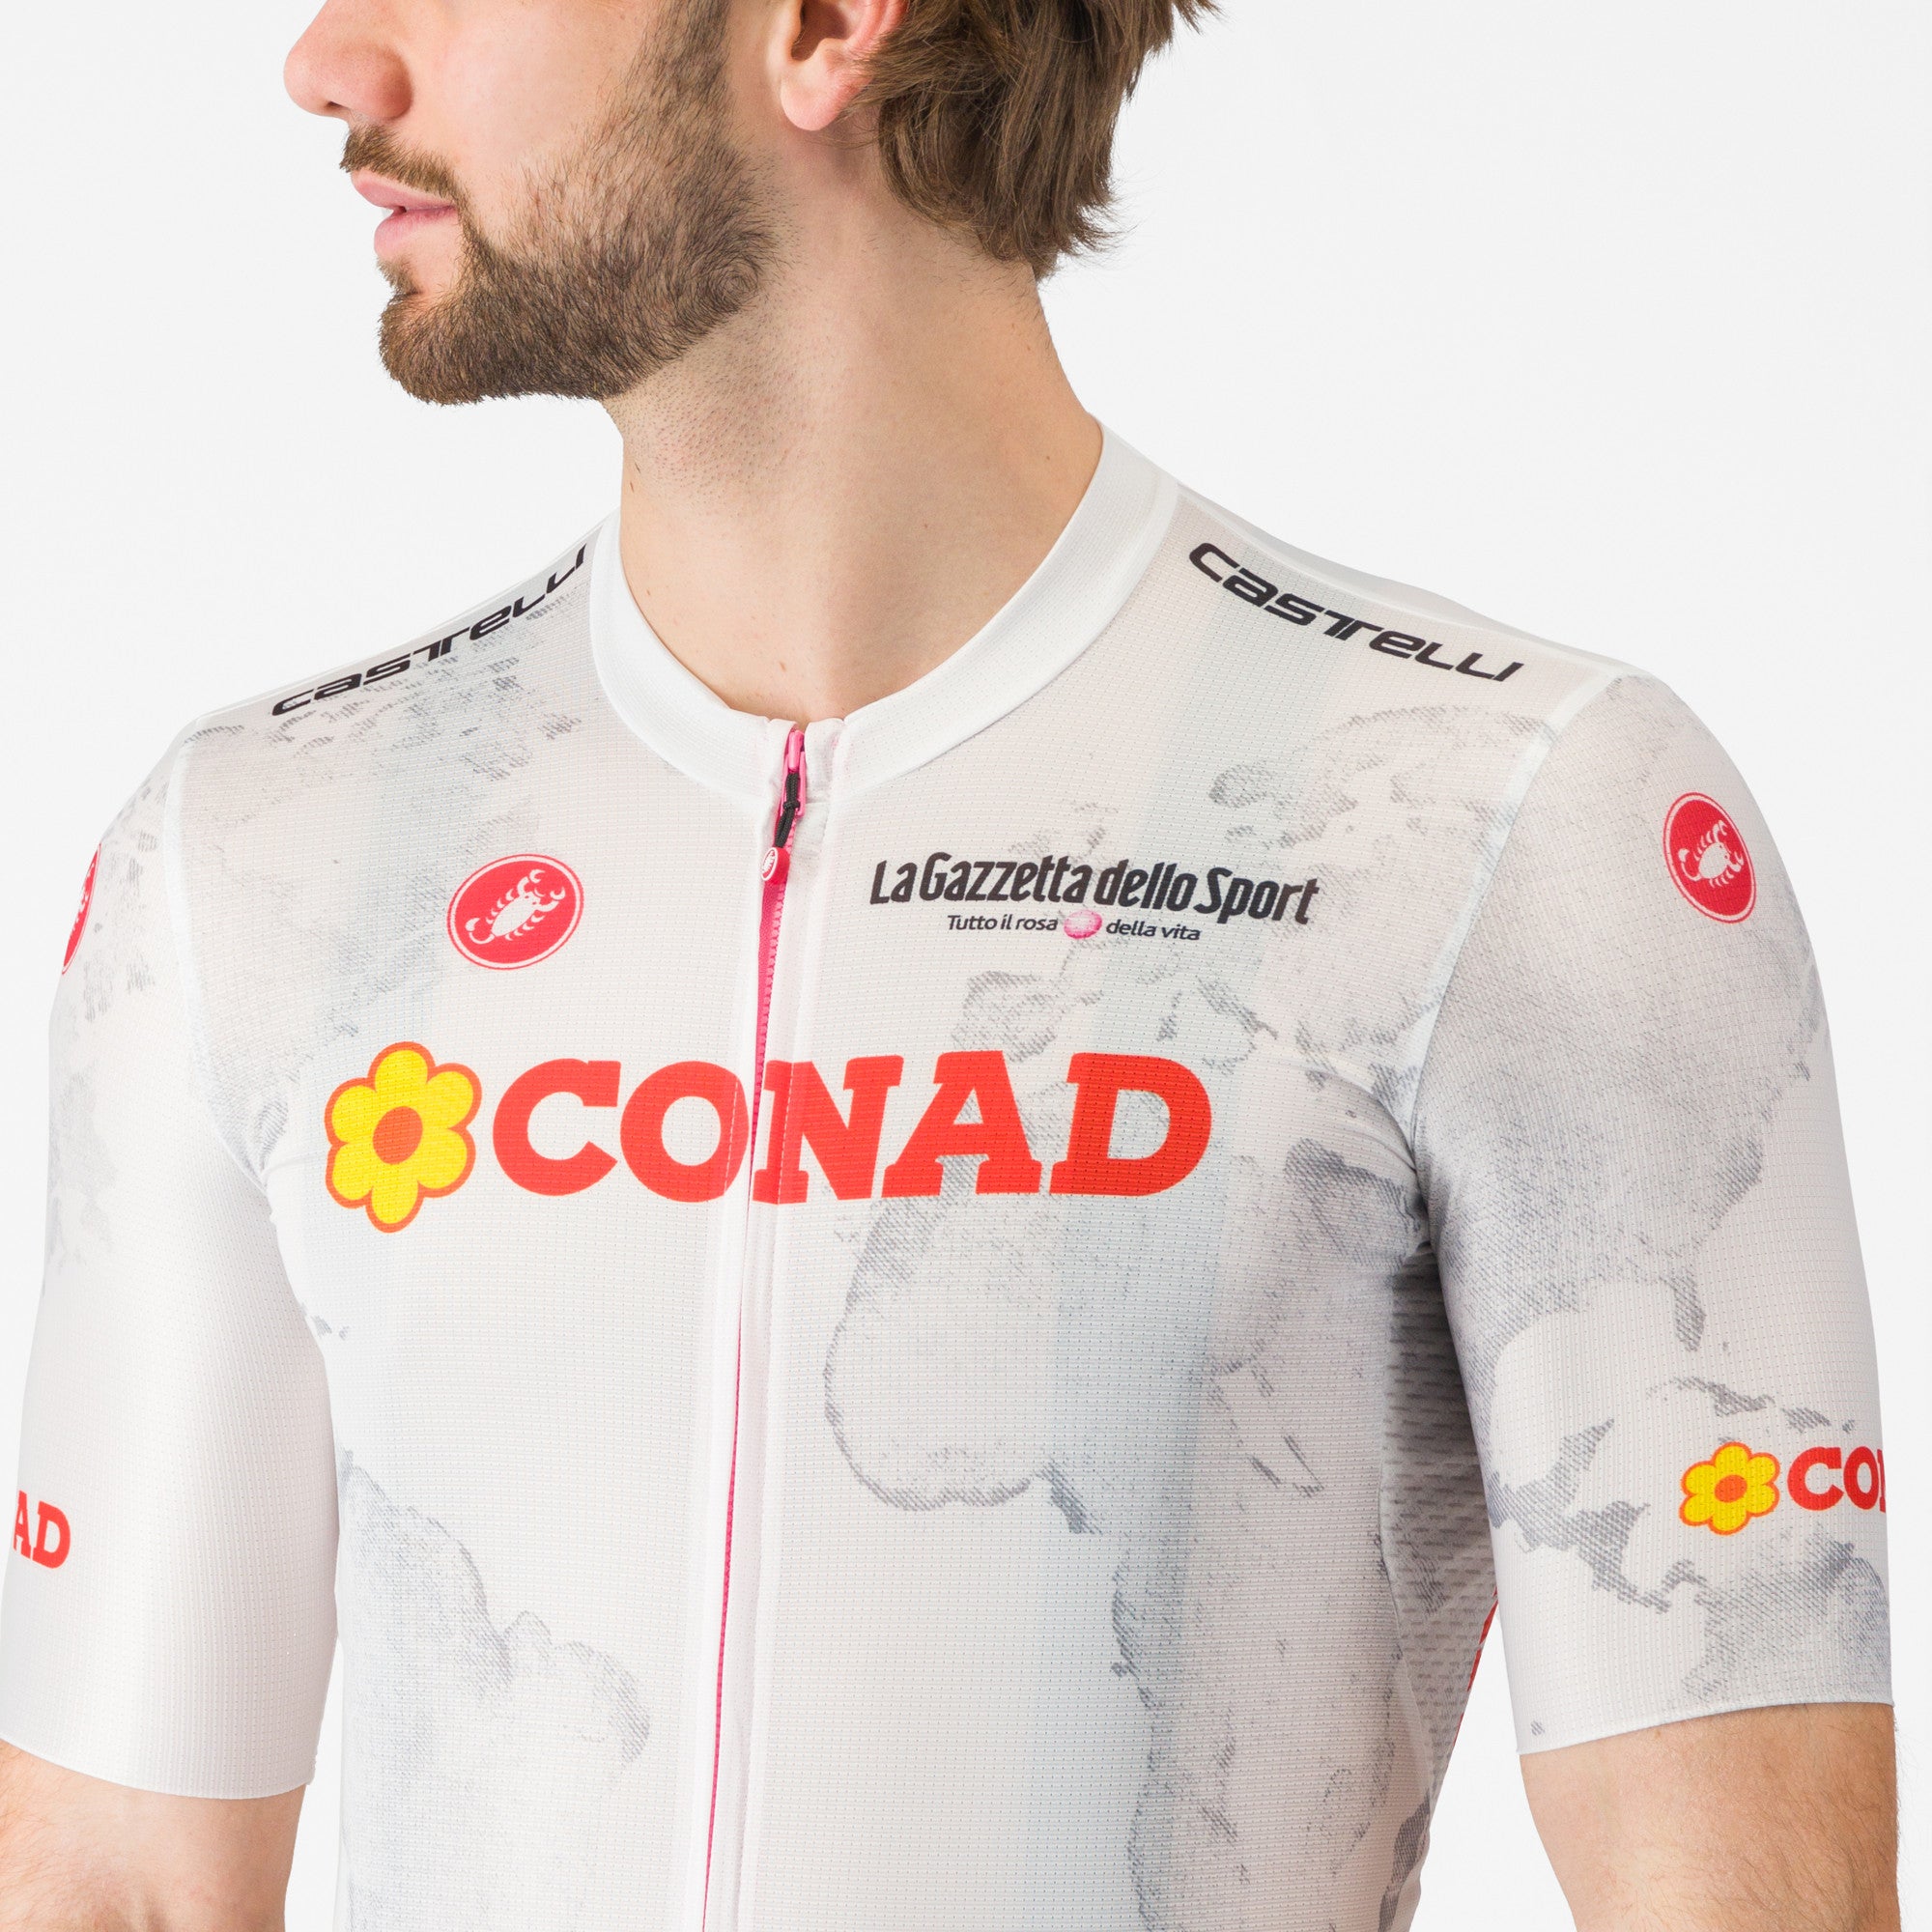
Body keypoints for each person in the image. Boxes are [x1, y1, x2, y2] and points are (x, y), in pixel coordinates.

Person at [0, 0, 1897, 1925]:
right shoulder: (255, 856)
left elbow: (1743, 1898)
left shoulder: (1508, 817)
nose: (331, 59)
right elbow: (114, 1887)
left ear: (828, 26)